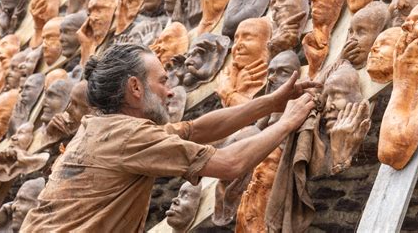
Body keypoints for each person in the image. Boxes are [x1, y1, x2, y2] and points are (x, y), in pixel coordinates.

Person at [21, 43, 318, 232]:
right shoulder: (128, 136)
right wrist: (286, 123)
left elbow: (198, 130)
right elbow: (230, 164)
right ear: (135, 88)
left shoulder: (102, 128)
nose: (171, 90)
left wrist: (270, 103)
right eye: (162, 81)